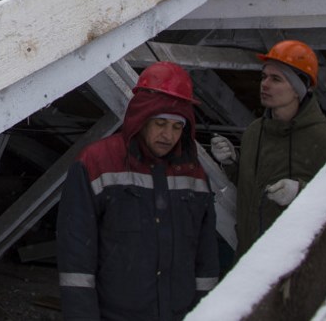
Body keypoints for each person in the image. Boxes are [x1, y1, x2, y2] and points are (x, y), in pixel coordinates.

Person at [57, 62, 219, 320]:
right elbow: (76, 257)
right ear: (141, 119)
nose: (168, 135)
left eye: (177, 127)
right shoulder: (96, 163)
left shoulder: (192, 171)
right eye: (160, 123)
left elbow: (206, 254)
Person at [209, 39, 326, 256]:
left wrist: (300, 192)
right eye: (264, 77)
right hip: (248, 258)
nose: (265, 84)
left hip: (296, 266)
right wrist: (231, 163)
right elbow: (251, 190)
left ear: (298, 88)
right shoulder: (254, 132)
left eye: (276, 79)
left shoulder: (325, 140)